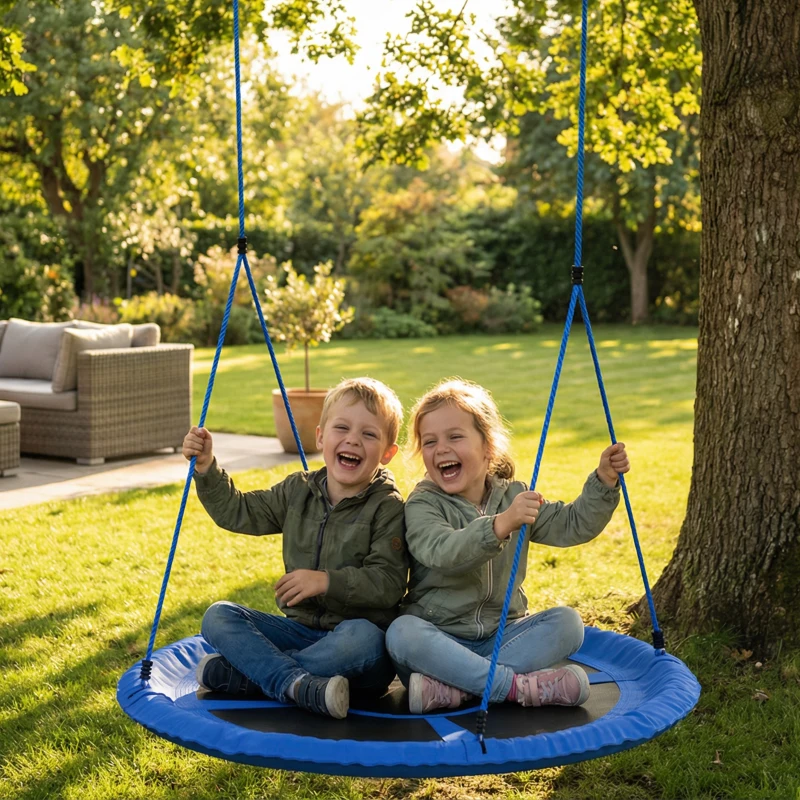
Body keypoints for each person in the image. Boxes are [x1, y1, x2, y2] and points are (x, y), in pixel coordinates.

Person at [385, 378, 629, 714]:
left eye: (455, 436)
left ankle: (460, 689)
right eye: (429, 441)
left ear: (488, 446)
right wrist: (499, 526)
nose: (441, 448)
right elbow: (442, 552)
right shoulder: (423, 504)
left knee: (568, 624)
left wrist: (603, 481)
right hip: (440, 642)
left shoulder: (513, 496)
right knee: (401, 633)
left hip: (503, 639)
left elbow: (573, 525)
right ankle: (515, 687)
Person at [183, 377, 408, 720]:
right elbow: (238, 511)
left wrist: (325, 581)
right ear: (320, 437)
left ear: (387, 453)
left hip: (357, 651)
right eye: (342, 428)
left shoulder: (387, 507)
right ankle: (298, 685)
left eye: (369, 434)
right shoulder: (298, 491)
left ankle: (253, 677)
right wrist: (206, 467)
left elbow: (388, 583)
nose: (352, 440)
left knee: (364, 638)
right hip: (300, 633)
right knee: (219, 616)